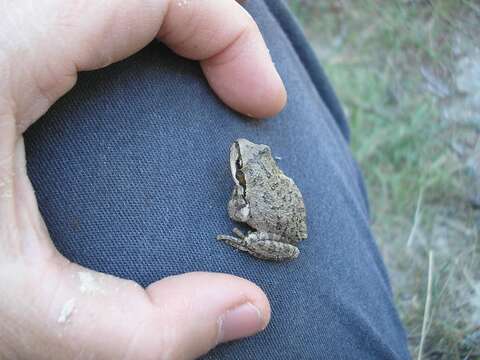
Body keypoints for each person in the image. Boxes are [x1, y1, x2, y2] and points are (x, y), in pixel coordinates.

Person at [0, 0, 410, 359]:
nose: (240, 153)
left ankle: (249, 239)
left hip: (275, 228)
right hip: (288, 206)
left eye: (243, 163)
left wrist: (243, 227)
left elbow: (238, 208)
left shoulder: (242, 195)